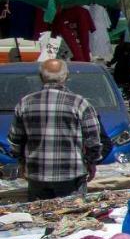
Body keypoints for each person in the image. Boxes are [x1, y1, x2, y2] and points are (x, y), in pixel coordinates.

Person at [9, 59, 103, 201]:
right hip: (71, 175)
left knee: (40, 219)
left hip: (37, 175)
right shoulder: (79, 103)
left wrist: (22, 162)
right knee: (74, 220)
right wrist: (91, 162)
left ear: (41, 77)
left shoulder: (25, 103)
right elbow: (93, 140)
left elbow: (16, 140)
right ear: (66, 77)